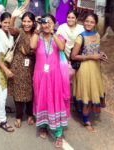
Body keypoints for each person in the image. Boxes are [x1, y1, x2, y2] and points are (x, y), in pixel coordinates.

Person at [30, 14, 70, 148]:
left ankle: (58, 133)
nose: (46, 25)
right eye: (44, 22)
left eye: (49, 22)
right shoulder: (38, 36)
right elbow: (32, 45)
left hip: (55, 77)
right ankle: (43, 126)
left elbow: (62, 47)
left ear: (54, 23)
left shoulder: (59, 37)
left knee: (56, 101)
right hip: (40, 76)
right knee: (41, 100)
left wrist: (53, 33)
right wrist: (38, 28)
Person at [71, 13, 107, 132]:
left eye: (91, 22)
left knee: (93, 91)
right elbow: (74, 56)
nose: (88, 23)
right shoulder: (80, 37)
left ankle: (82, 111)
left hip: (95, 68)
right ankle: (86, 120)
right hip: (85, 69)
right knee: (86, 92)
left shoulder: (97, 35)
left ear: (95, 23)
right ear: (83, 21)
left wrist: (101, 55)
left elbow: (95, 49)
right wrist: (92, 56)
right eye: (87, 21)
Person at [8, 11, 36, 128]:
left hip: (32, 67)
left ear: (33, 22)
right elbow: (11, 29)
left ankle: (29, 114)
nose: (26, 24)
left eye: (29, 21)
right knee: (18, 92)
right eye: (24, 21)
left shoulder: (36, 34)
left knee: (31, 91)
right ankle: (19, 116)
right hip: (18, 66)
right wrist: (13, 17)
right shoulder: (19, 32)